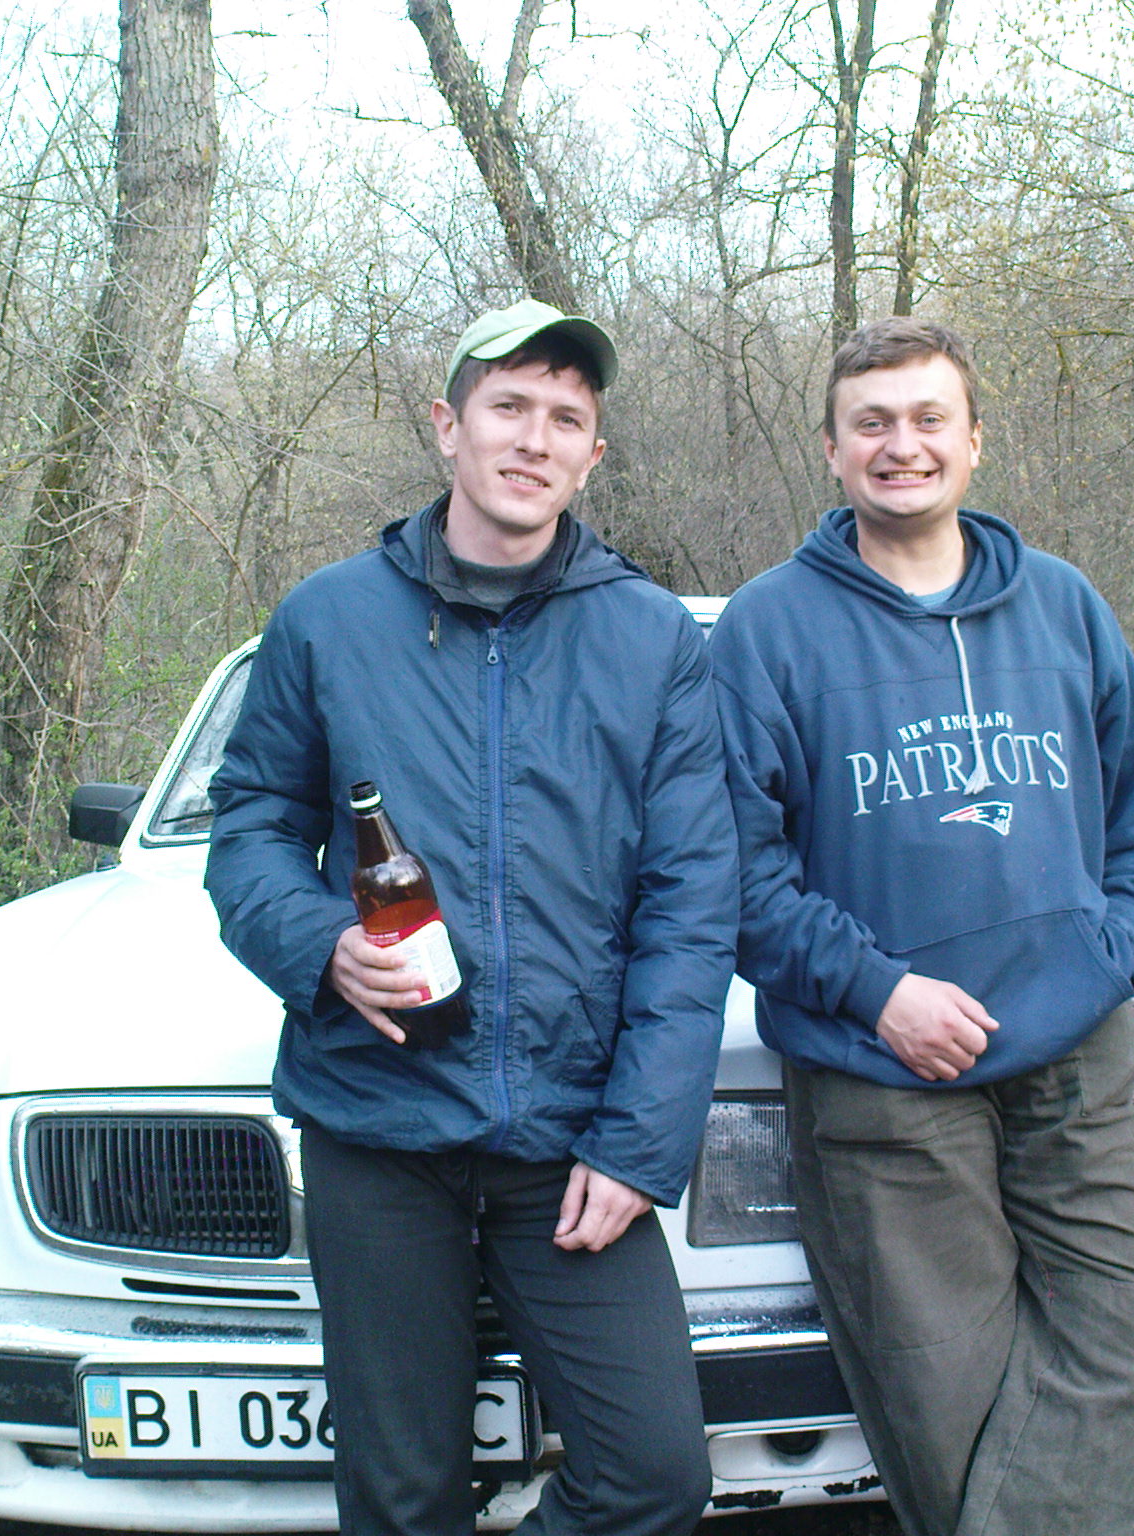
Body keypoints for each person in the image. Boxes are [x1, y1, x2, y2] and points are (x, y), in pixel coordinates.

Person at [205, 298, 736, 1536]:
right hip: (378, 1129)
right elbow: (250, 828)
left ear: (591, 455)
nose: (532, 438)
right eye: (508, 406)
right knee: (401, 1500)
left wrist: (638, 1145)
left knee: (653, 1476)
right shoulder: (327, 619)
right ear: (448, 426)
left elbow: (689, 907)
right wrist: (320, 947)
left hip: (570, 1142)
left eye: (564, 418)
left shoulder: (651, 638)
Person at [709, 317, 1134, 1536]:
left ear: (974, 440)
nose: (901, 445)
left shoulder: (1062, 605)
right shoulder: (767, 629)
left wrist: (1110, 952)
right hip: (881, 1074)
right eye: (870, 423)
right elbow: (733, 873)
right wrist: (877, 992)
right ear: (831, 449)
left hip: (1069, 1057)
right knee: (943, 1398)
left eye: (929, 418)